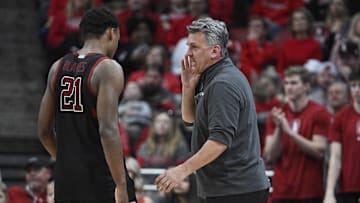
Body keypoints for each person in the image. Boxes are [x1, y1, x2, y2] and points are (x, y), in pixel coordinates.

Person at [155, 17, 270, 203]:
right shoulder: (211, 77)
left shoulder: (222, 83)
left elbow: (219, 141)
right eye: (188, 46)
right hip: (224, 188)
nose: (188, 53)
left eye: (194, 47)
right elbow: (190, 120)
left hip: (235, 190)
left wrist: (182, 170)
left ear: (215, 51)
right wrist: (187, 88)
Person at [37, 7, 136, 203]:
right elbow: (107, 131)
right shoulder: (107, 68)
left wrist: (66, 161)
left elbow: (43, 131)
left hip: (66, 179)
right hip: (101, 174)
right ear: (111, 33)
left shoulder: (57, 67)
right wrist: (121, 185)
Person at [264, 66, 331, 203]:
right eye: (286, 83)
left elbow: (319, 151)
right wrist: (279, 129)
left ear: (306, 86)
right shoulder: (277, 114)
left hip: (310, 192)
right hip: (282, 192)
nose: (289, 87)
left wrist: (289, 133)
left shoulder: (319, 112)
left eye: (294, 83)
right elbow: (270, 155)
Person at [323, 66, 360, 203]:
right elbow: (335, 157)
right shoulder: (340, 118)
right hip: (347, 188)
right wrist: (329, 191)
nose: (357, 90)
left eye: (359, 85)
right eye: (354, 85)